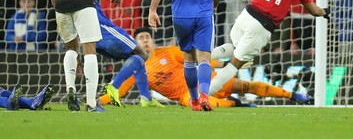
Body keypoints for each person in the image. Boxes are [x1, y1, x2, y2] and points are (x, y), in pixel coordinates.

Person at [208, 0, 330, 95]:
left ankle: (198, 57)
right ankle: (204, 95)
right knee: (236, 64)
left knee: (234, 47)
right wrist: (325, 12)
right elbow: (313, 10)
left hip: (245, 16)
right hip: (262, 26)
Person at [97, 27, 310, 109]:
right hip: (184, 95)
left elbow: (200, 58)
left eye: (147, 37)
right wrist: (98, 101)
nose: (145, 41)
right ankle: (236, 105)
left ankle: (292, 95)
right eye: (140, 38)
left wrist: (226, 65)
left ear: (152, 41)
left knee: (248, 85)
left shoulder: (168, 51)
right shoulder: (137, 67)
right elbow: (120, 90)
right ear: (135, 43)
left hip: (207, 79)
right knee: (205, 105)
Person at [92, 0, 164, 108]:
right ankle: (113, 86)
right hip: (104, 29)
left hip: (91, 37)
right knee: (142, 54)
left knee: (137, 57)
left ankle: (146, 98)